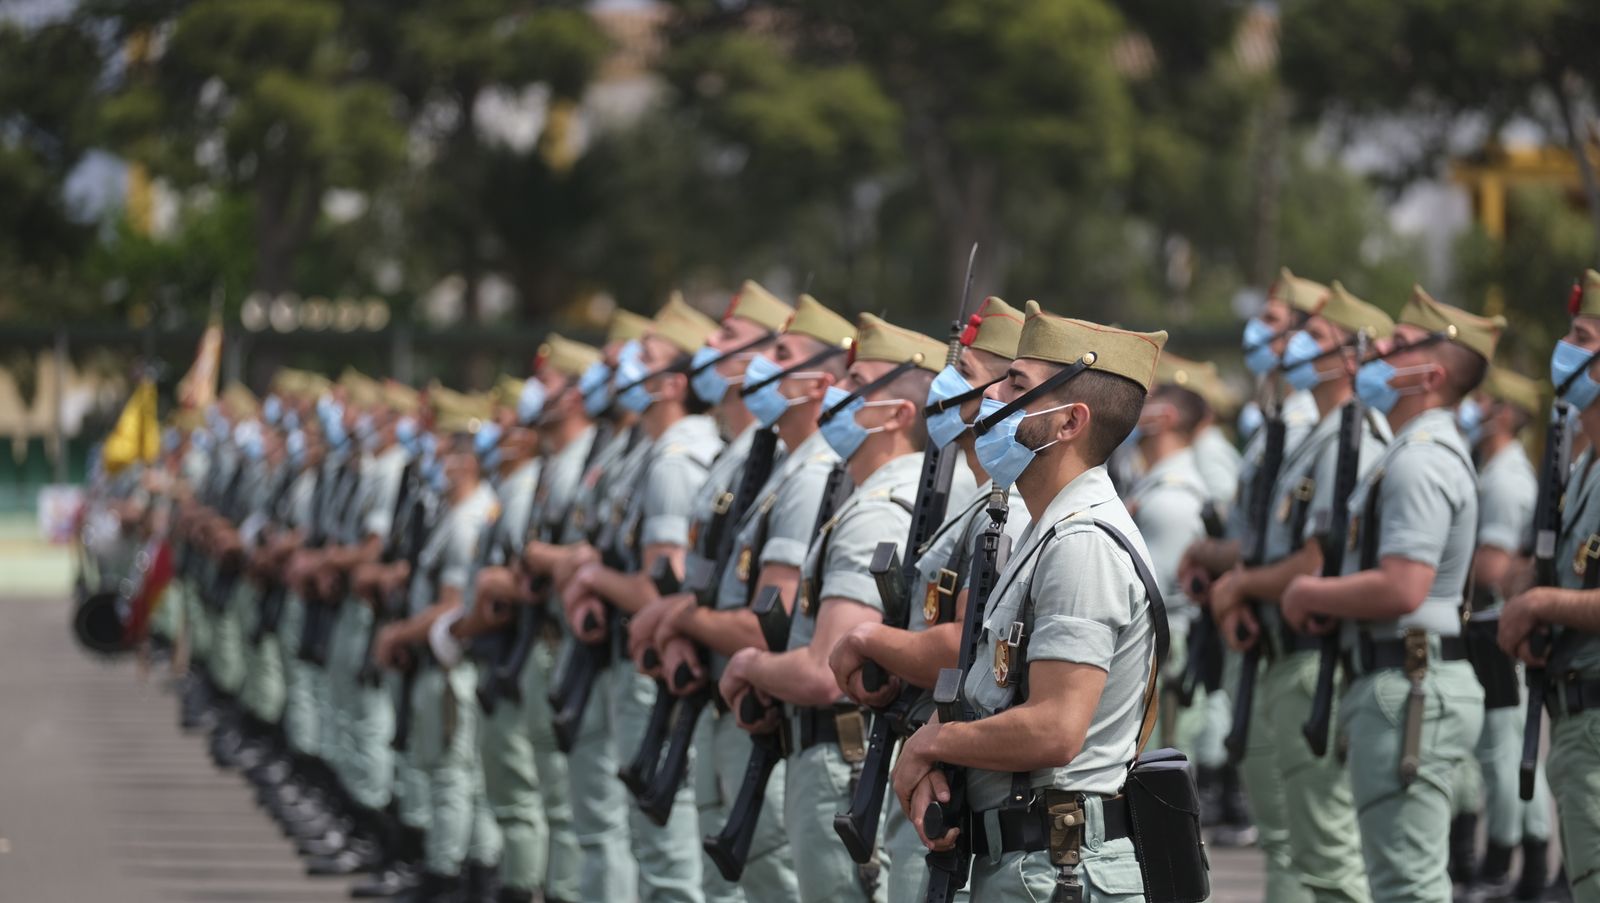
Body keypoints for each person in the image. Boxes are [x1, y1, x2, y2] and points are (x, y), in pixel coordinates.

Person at [889, 301, 1167, 901]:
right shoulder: (1045, 532)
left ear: (1069, 423)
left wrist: (932, 741)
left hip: (1057, 872)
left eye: (1016, 385)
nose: (992, 400)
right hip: (1029, 865)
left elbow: (1054, 729)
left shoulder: (1081, 545)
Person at [1283, 286, 1503, 903]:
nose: (1378, 347)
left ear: (1429, 375)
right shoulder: (1408, 452)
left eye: (1398, 345)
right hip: (1398, 682)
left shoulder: (1420, 460)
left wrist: (1311, 593)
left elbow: (1404, 586)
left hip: (1407, 684)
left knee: (1406, 887)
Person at [719, 313, 944, 903]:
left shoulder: (873, 511)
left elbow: (824, 672)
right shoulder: (870, 498)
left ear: (897, 416)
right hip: (832, 751)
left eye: (856, 382)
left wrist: (748, 665)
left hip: (837, 756)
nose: (834, 392)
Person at [826, 296, 1025, 903]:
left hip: (953, 772)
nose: (948, 385)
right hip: (920, 752)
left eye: (965, 373)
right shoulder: (970, 502)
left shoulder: (1004, 510)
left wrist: (866, 640)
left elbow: (959, 647)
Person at [665, 293, 856, 902]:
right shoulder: (776, 465)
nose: (756, 365)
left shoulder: (811, 476)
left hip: (777, 717)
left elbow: (763, 626)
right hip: (740, 712)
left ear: (817, 382)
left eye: (779, 352)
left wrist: (682, 619)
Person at [1210, 281, 1394, 903]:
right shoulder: (1314, 434)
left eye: (1316, 336)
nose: (1295, 344)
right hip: (1281, 650)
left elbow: (1319, 558)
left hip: (1314, 658)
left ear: (1351, 358)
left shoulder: (1353, 436)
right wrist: (1243, 588)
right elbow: (1273, 546)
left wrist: (1239, 582)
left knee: (1326, 854)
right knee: (1299, 846)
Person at [559, 294, 724, 903]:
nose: (628, 368)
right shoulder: (650, 451)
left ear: (675, 381)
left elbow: (663, 585)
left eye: (643, 357)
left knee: (661, 840)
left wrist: (591, 577)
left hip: (651, 666)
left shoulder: (675, 459)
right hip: (635, 660)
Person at [1181, 268, 1329, 862]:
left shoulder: (1304, 427)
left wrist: (1224, 565)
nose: (1259, 331)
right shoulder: (1277, 420)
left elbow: (1276, 547)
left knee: (1300, 841)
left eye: (1274, 322)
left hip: (1286, 637)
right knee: (1284, 838)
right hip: (1258, 633)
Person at [458, 335, 603, 903]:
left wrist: (522, 574)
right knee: (549, 796)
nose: (534, 393)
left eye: (546, 380)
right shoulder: (553, 467)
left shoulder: (576, 465)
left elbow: (565, 560)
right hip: (546, 648)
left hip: (564, 645)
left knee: (566, 805)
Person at [371, 408, 503, 901]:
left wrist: (399, 633)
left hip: (455, 669)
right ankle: (451, 872)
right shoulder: (453, 512)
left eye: (446, 454)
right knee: (447, 774)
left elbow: (452, 606)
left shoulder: (471, 517)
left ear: (467, 462)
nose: (436, 462)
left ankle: (449, 879)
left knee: (454, 778)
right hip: (438, 663)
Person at [1499, 268, 1600, 903]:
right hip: (1574, 722)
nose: (1566, 348)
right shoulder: (1584, 460)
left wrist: (1538, 602)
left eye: (1582, 336)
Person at [1449, 365, 1553, 901]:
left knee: (1503, 752)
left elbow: (1493, 568)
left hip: (1496, 625)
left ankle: (1513, 868)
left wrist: (1437, 560)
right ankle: (1516, 867)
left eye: (1486, 400)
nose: (1474, 406)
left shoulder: (1507, 479)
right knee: (1497, 751)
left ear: (1506, 413)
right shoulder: (1493, 468)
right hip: (1488, 625)